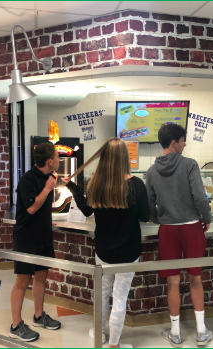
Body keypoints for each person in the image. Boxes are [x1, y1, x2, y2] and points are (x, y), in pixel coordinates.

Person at [62, 137, 150, 349]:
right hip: (129, 252)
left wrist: (73, 187)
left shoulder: (96, 184)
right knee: (120, 298)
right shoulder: (137, 185)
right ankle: (114, 344)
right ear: (124, 158)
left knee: (102, 295)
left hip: (103, 251)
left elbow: (86, 210)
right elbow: (146, 216)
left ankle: (100, 334)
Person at [146, 123, 213, 348]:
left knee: (172, 281)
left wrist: (160, 219)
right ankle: (201, 332)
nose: (185, 145)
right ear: (174, 142)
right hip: (192, 227)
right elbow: (201, 198)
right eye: (183, 140)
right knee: (195, 277)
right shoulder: (190, 165)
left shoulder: (152, 171)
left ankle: (175, 333)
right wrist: (207, 218)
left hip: (168, 229)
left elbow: (149, 205)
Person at [9, 142, 62, 342]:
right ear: (49, 161)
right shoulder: (28, 179)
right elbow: (31, 208)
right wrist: (49, 188)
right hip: (26, 238)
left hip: (43, 236)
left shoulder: (49, 177)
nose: (59, 160)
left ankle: (39, 316)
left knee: (41, 276)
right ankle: (15, 326)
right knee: (22, 281)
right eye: (57, 157)